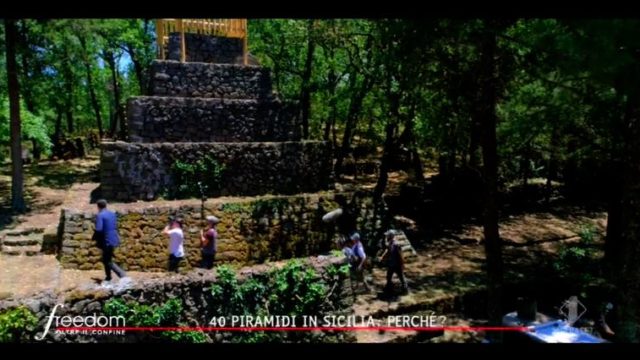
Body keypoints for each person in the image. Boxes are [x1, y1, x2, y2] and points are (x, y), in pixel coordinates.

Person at [94, 199, 126, 282]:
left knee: (107, 260)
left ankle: (121, 274)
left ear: (98, 206)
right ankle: (108, 277)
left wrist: (95, 238)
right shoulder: (112, 214)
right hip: (114, 239)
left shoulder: (100, 215)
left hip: (106, 240)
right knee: (107, 259)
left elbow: (99, 229)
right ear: (106, 205)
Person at [379, 230, 408, 294]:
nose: (387, 237)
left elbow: (401, 255)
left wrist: (402, 264)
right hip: (391, 264)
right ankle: (389, 289)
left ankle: (405, 290)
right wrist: (383, 258)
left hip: (397, 264)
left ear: (390, 236)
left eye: (388, 236)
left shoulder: (396, 244)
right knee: (389, 277)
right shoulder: (390, 243)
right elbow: (387, 251)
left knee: (401, 277)